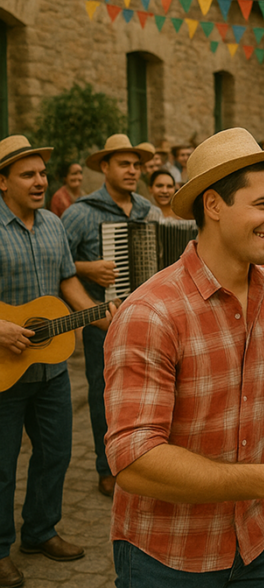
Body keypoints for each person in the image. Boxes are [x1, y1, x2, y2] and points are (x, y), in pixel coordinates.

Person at [103, 128, 264, 584]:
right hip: (169, 555)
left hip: (259, 539)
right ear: (213, 205)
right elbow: (133, 461)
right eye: (263, 205)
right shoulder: (150, 312)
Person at [0, 136, 115, 587]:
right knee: (2, 464)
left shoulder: (52, 222)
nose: (39, 182)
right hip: (5, 372)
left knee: (56, 453)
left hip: (51, 368)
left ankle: (40, 531)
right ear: (3, 181)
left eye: (42, 174)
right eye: (28, 174)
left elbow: (67, 280)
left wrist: (101, 315)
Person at [61, 134, 157, 497]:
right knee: (105, 397)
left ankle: (148, 459)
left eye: (136, 165)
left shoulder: (149, 210)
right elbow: (57, 263)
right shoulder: (80, 212)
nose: (133, 171)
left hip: (149, 321)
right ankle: (108, 467)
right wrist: (87, 268)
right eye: (124, 164)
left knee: (150, 393)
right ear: (104, 167)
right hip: (103, 324)